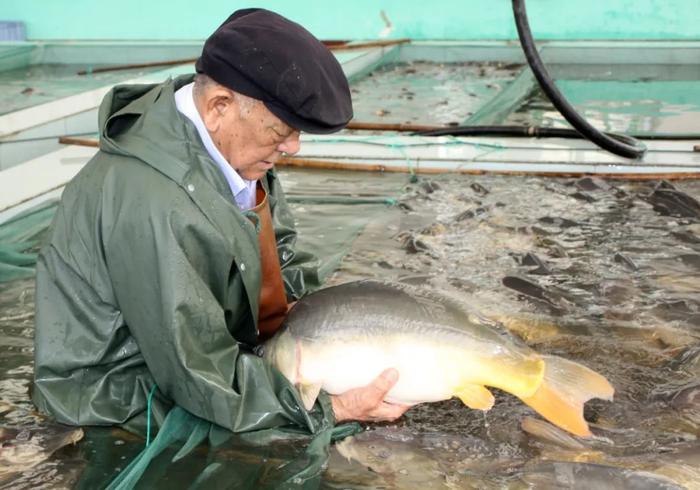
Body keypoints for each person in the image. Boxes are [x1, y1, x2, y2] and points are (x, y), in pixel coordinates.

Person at [32, 9, 409, 434]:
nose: (294, 147)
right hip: (116, 392)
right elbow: (196, 371)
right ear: (218, 106)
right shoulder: (155, 203)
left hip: (200, 351)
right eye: (282, 130)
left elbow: (279, 253)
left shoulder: (232, 143)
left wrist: (317, 321)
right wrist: (330, 408)